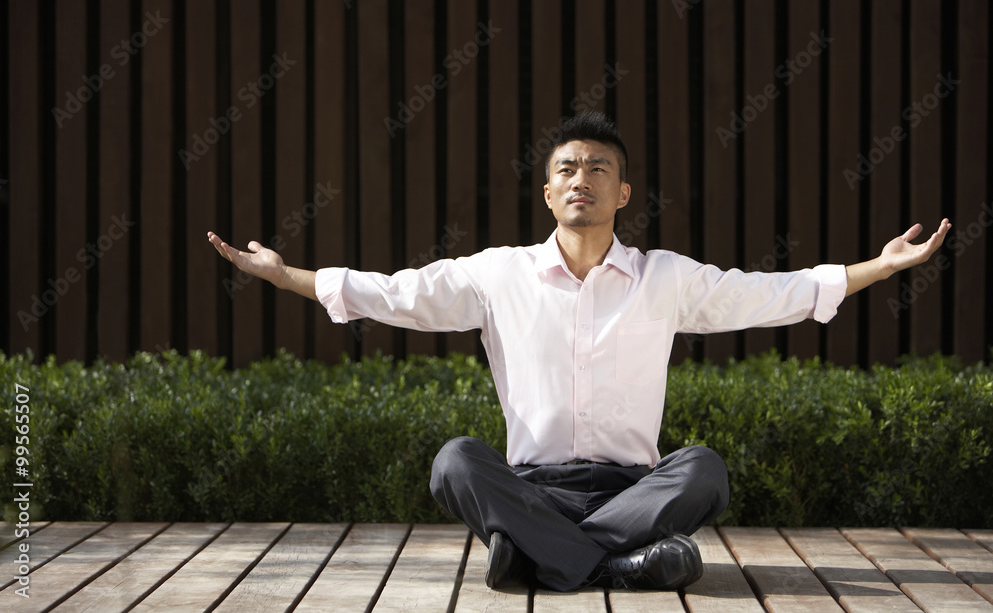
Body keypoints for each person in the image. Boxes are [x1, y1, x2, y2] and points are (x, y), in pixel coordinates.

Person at [208, 111, 951, 592]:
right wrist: (286, 275)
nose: (581, 178)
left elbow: (765, 292)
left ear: (623, 192)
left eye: (598, 168)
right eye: (567, 168)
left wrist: (878, 267)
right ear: (546, 192)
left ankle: (539, 557)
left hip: (634, 489)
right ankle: (619, 566)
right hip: (532, 484)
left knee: (703, 469)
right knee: (455, 458)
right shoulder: (498, 273)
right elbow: (395, 292)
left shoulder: (664, 277)